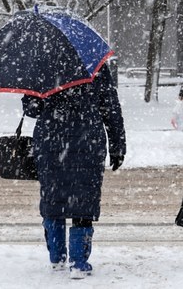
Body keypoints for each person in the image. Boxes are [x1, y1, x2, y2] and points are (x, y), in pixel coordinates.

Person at [21, 62, 126, 279]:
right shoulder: (96, 65)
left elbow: (32, 109)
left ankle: (57, 257)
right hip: (88, 140)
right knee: (83, 201)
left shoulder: (43, 65)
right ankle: (79, 262)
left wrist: (37, 94)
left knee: (53, 199)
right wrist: (117, 144)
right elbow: (110, 107)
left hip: (51, 140)